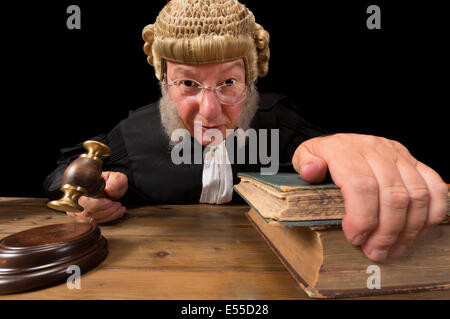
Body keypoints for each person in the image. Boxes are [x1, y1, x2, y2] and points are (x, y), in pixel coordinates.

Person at [44, 0, 447, 262]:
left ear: (251, 80)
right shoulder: (134, 133)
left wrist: (341, 147)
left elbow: (322, 151)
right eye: (187, 84)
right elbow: (62, 171)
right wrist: (90, 195)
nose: (211, 109)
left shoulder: (279, 122)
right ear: (164, 82)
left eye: (229, 83)